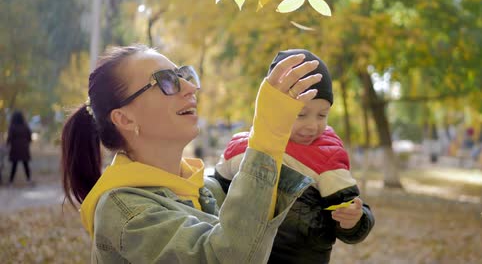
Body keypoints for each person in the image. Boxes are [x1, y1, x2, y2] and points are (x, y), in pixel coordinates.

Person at [61, 44, 323, 263]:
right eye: (166, 81)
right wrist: (268, 133)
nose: (190, 87)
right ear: (124, 119)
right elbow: (227, 257)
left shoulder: (205, 188)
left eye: (184, 75)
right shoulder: (125, 213)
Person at [214, 49, 375, 264]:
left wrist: (353, 220)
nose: (312, 125)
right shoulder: (244, 147)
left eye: (322, 115)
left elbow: (351, 209)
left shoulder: (326, 156)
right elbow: (213, 196)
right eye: (300, 114)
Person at [6, 110, 33, 185]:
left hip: (15, 149)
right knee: (26, 165)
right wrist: (26, 143)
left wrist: (7, 145)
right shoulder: (25, 126)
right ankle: (29, 180)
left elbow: (9, 138)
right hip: (24, 149)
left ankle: (10, 182)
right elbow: (30, 137)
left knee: (14, 166)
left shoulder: (12, 126)